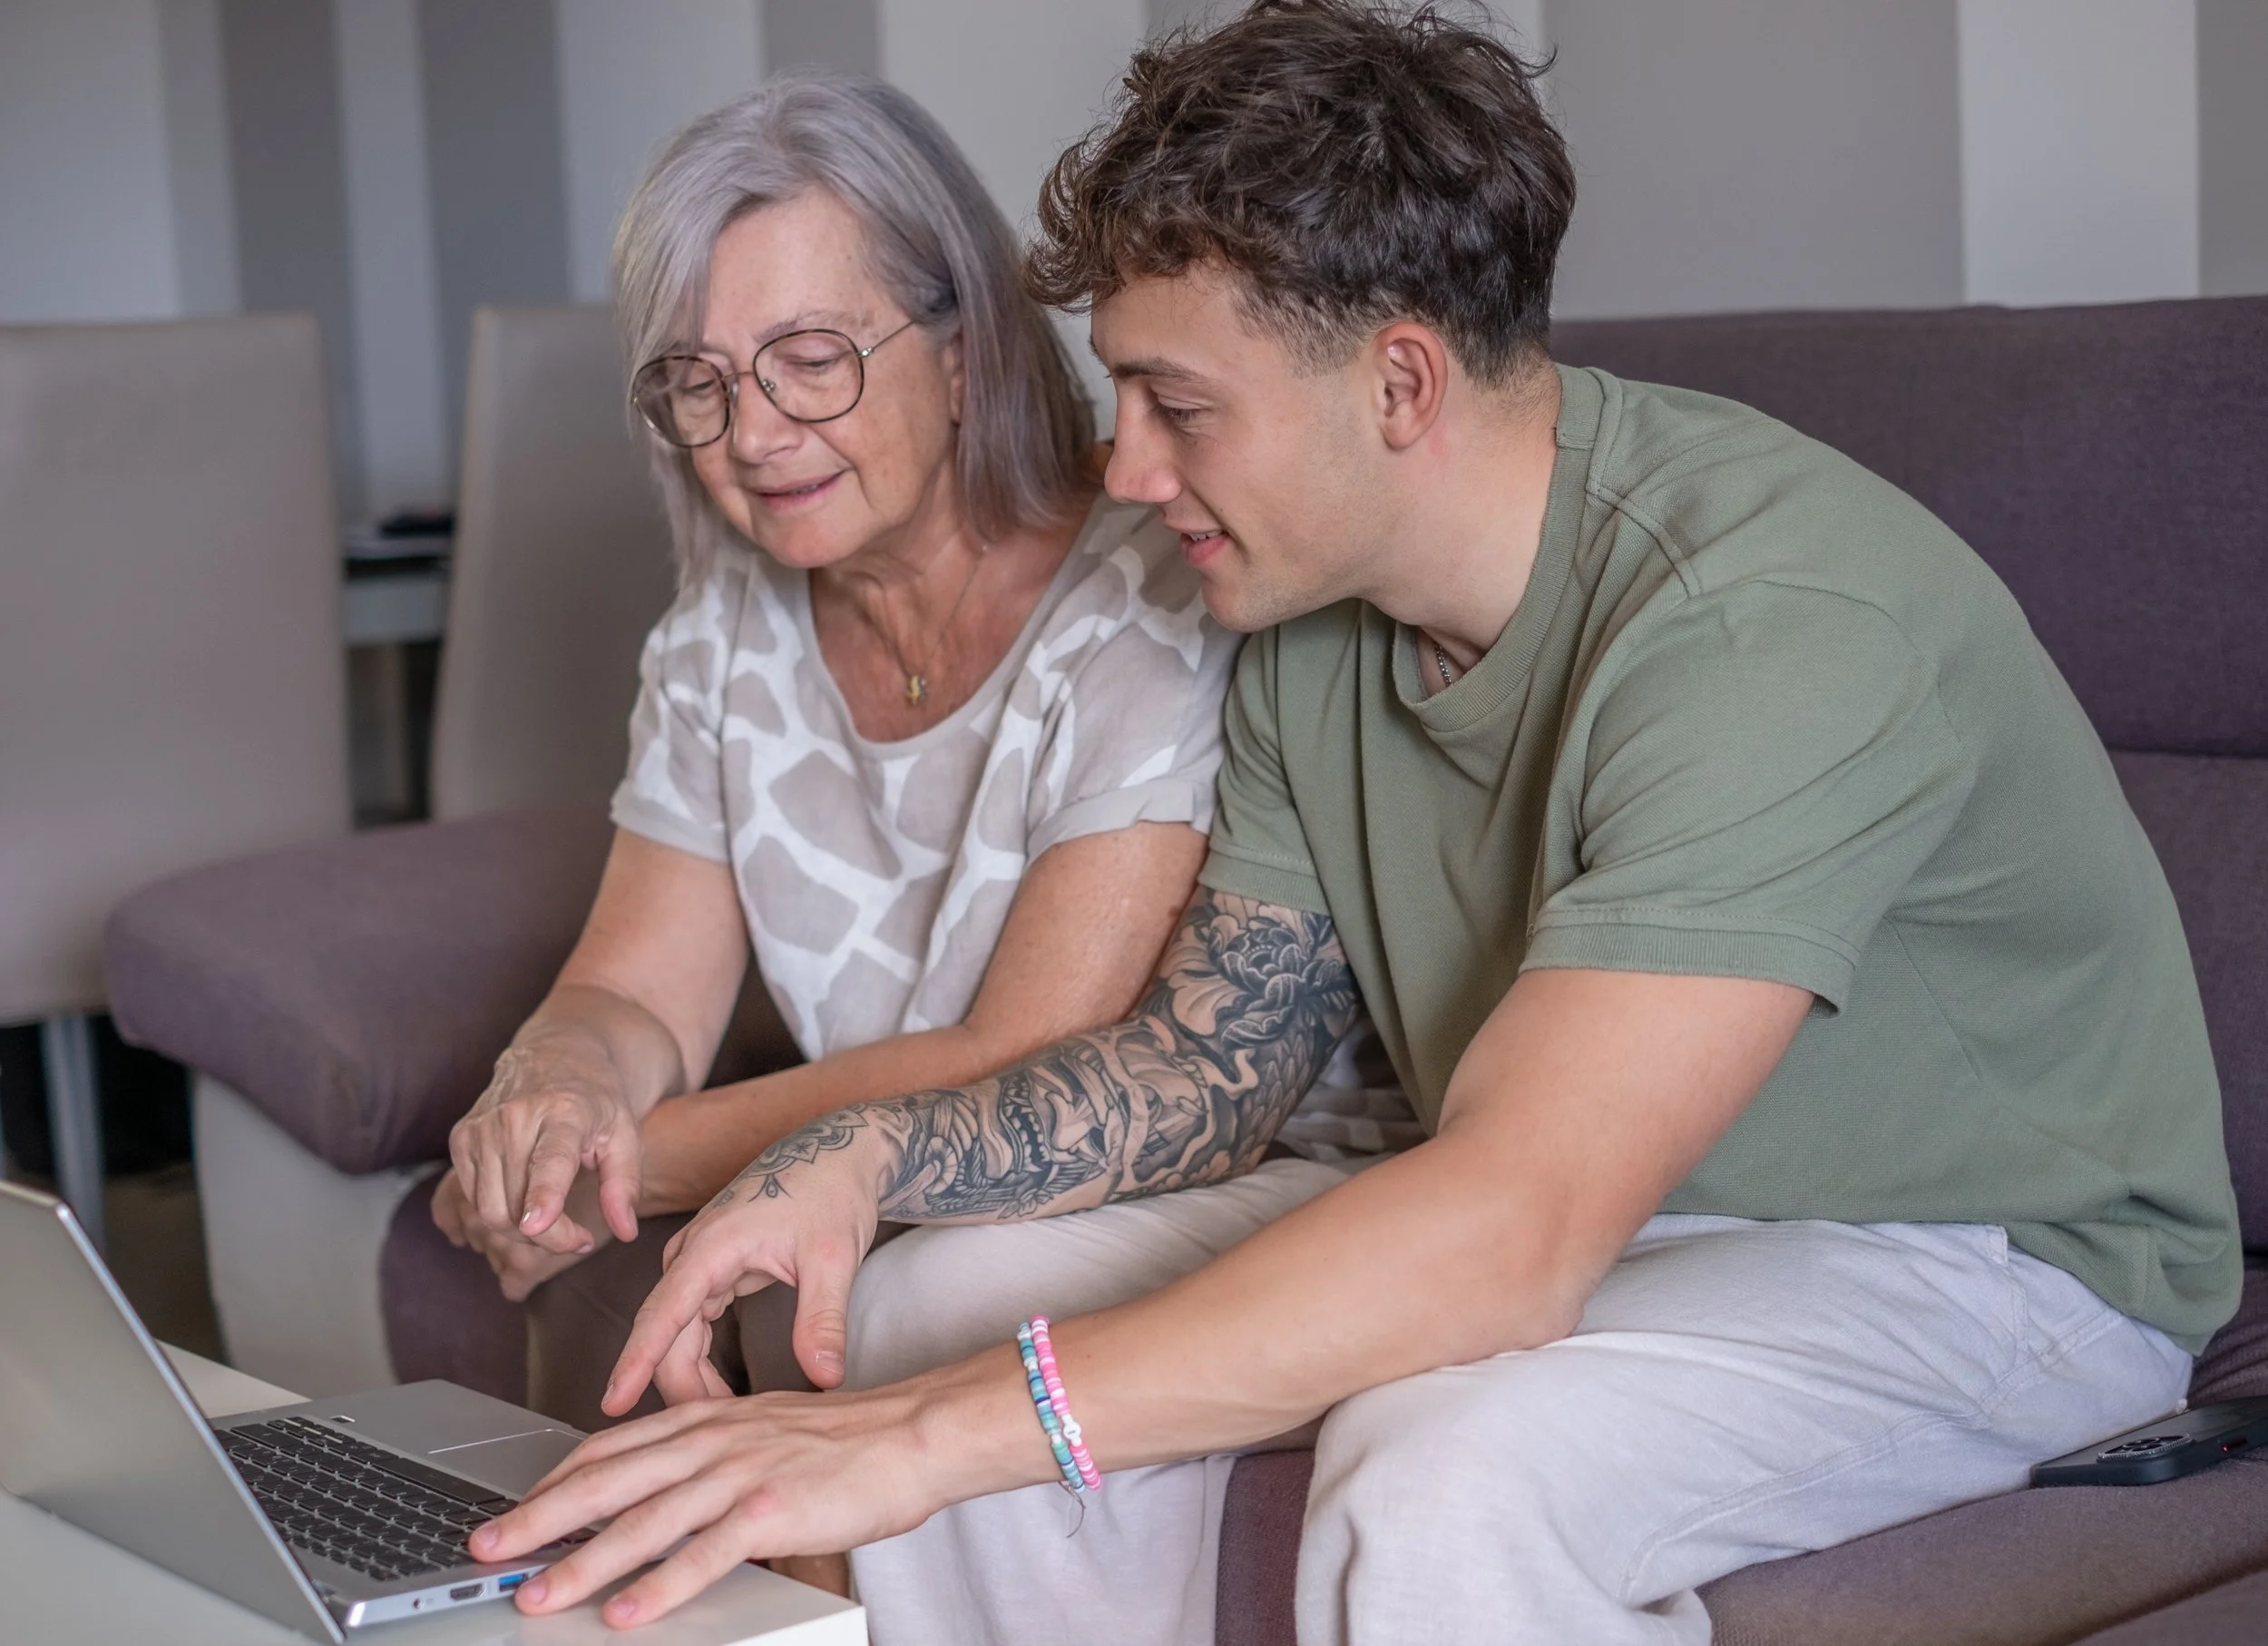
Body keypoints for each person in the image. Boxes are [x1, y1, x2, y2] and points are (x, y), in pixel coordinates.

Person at [468, 4, 2242, 1641]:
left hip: (1980, 1264)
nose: (1126, 470)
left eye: (1174, 405)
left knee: (1447, 1469)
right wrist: (853, 1160)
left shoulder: (1766, 622)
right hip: (1635, 1206)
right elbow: (1198, 1070)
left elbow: (1509, 1225)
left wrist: (912, 1446)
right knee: (938, 1299)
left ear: (1395, 387)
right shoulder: (1308, 620)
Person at [431, 70, 1244, 1437]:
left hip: (1132, 1173)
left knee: (876, 1305)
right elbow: (633, 991)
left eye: (812, 360)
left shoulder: (1150, 591)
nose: (752, 434)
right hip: (882, 1188)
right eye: (703, 381)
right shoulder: (721, 641)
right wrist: (559, 1079)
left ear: (964, 351)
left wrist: (618, 1160)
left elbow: (1032, 1045)